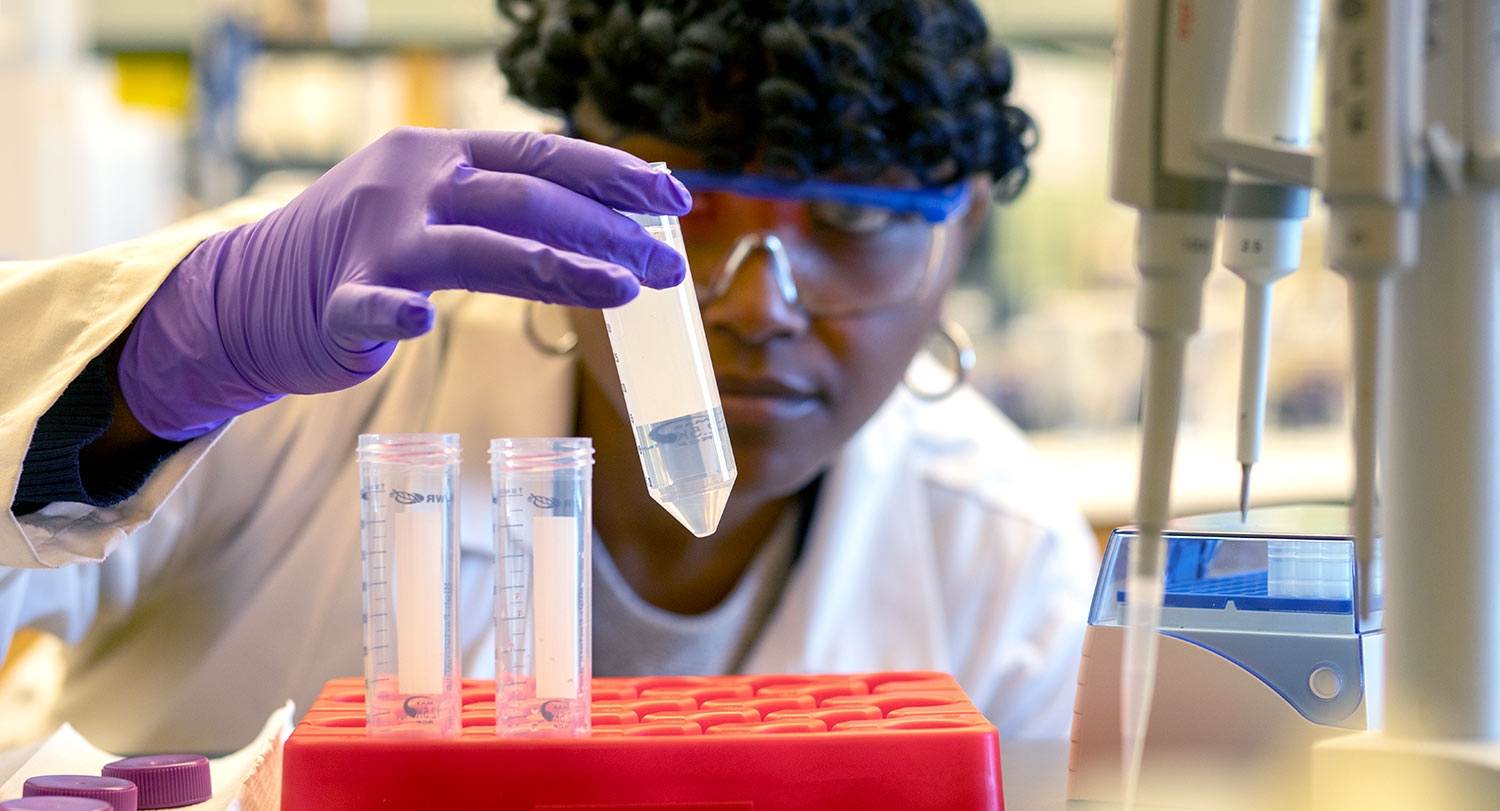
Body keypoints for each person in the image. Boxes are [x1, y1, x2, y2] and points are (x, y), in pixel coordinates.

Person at [0, 0, 1097, 754]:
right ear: (562, 159)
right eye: (687, 204)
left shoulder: (1001, 563)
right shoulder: (294, 344)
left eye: (859, 216)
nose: (761, 304)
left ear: (963, 232)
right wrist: (144, 378)